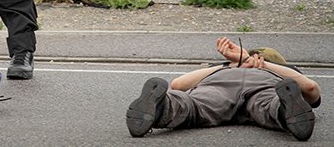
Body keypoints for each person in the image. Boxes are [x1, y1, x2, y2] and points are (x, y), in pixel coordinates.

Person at [126, 36, 321, 141]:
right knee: (269, 106)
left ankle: (162, 108)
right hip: (264, 85)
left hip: (222, 82)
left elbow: (177, 85)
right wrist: (247, 63)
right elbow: (311, 89)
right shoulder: (286, 73)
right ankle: (286, 110)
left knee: (194, 105)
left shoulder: (222, 68)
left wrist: (233, 63)